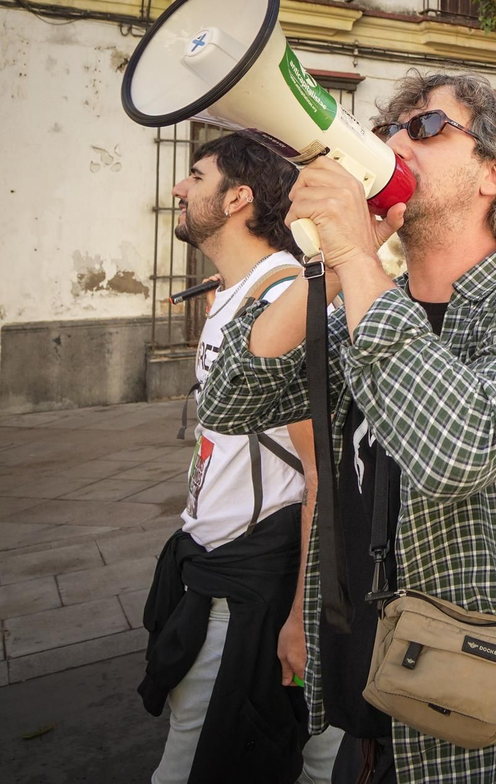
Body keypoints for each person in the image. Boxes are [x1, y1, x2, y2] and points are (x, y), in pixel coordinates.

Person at [198, 72, 496, 783]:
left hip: (488, 712)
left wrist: (358, 259)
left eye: (427, 127)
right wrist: (329, 265)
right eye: (387, 131)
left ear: (494, 174)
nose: (393, 144)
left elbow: (460, 450)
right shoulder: (368, 300)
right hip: (370, 690)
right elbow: (230, 401)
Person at [143, 133, 342, 783]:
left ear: (238, 198)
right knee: (314, 752)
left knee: (196, 765)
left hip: (254, 578)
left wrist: (303, 616)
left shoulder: (282, 298)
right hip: (213, 561)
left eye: (196, 176)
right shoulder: (238, 291)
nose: (179, 187)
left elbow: (322, 473)